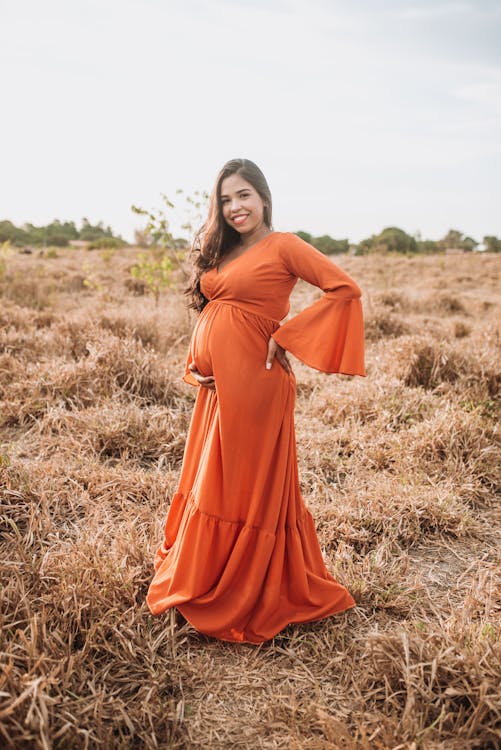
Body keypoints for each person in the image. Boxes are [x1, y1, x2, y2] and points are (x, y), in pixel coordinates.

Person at [146, 158, 366, 643]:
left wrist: (287, 337)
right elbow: (217, 312)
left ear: (263, 197)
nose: (234, 207)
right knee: (214, 477)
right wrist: (198, 362)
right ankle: (208, 575)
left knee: (240, 482)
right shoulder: (223, 249)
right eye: (225, 199)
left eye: (243, 195)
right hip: (219, 386)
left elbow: (343, 289)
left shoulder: (283, 245)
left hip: (258, 385)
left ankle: (244, 590)